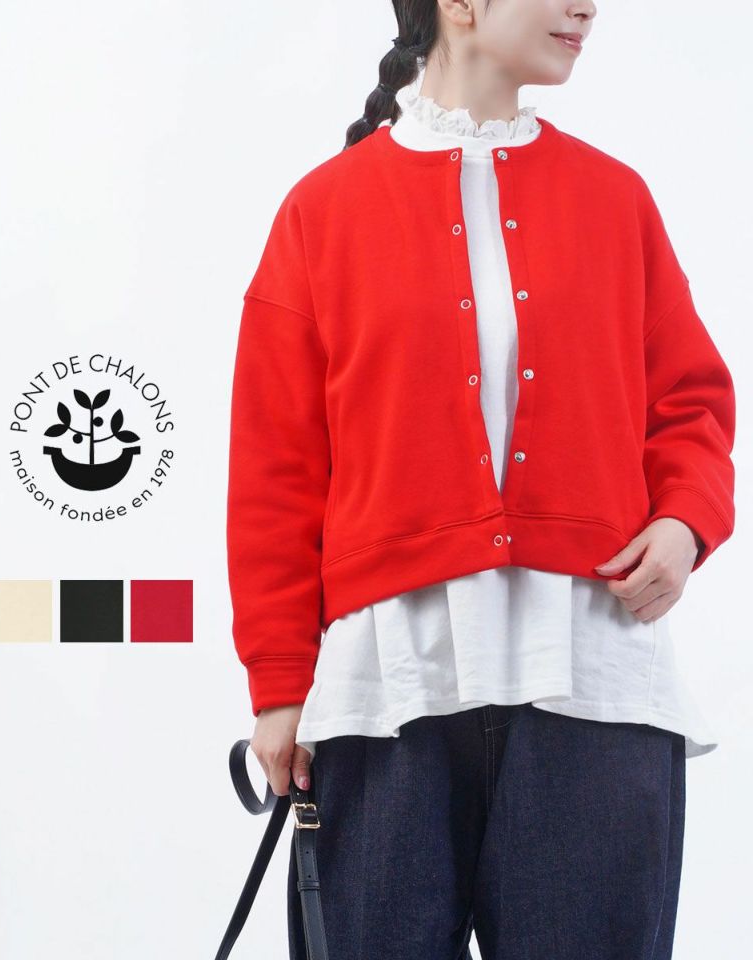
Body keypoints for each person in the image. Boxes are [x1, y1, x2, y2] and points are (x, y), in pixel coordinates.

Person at [225, 1, 736, 956]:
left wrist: (684, 521)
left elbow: (691, 400)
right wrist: (281, 685)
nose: (588, 5)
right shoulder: (321, 213)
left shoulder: (616, 199)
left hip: (592, 680)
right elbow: (275, 470)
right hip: (387, 695)